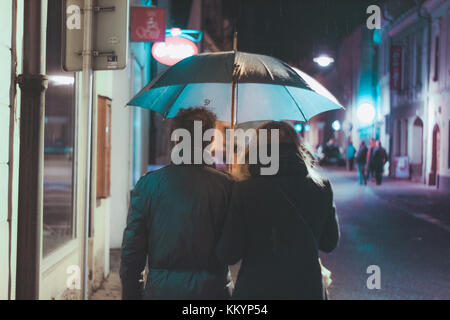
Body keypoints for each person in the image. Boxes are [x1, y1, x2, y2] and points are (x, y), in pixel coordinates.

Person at [216, 121, 339, 300]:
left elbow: (229, 253)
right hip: (306, 290)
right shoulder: (321, 187)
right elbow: (329, 242)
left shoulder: (244, 191)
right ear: (298, 147)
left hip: (256, 292)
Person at [120, 107, 234, 300]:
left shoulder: (148, 185)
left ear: (176, 138)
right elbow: (232, 250)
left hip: (161, 292)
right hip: (213, 291)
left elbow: (132, 251)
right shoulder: (226, 186)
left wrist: (132, 293)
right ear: (211, 139)